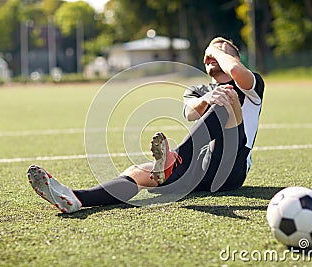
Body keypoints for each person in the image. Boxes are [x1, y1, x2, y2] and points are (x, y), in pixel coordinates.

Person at [27, 37, 265, 213]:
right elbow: (191, 114)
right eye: (208, 55)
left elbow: (234, 69)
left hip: (231, 167)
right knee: (137, 173)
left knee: (225, 98)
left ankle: (175, 159)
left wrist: (216, 48)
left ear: (234, 57)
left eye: (219, 52)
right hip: (199, 169)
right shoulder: (197, 91)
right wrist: (206, 98)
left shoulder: (251, 85)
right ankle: (77, 198)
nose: (212, 56)